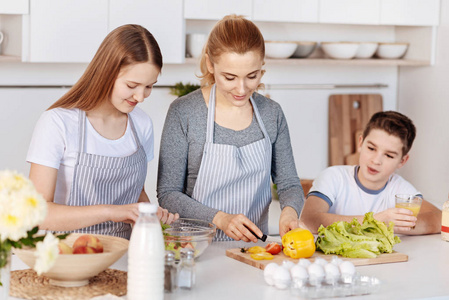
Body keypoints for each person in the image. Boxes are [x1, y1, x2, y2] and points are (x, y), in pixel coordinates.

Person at [157, 15, 304, 242]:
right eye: (230, 77)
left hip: (254, 250)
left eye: (252, 76)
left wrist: (289, 212)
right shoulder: (184, 112)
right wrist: (220, 219)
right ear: (210, 64)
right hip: (195, 248)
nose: (241, 88)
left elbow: (289, 184)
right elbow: (168, 194)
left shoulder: (271, 114)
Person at [27, 24, 178, 239]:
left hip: (125, 254)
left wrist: (149, 214)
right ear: (107, 73)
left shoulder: (141, 124)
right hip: (68, 255)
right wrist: (111, 211)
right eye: (132, 85)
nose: (141, 97)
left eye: (149, 86)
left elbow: (137, 193)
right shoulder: (58, 123)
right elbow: (38, 213)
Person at [299, 111, 441, 235]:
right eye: (372, 148)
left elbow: (440, 218)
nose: (376, 160)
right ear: (360, 143)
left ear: (402, 161)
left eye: (389, 156)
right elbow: (309, 220)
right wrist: (376, 222)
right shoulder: (333, 177)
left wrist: (395, 225)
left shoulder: (400, 189)